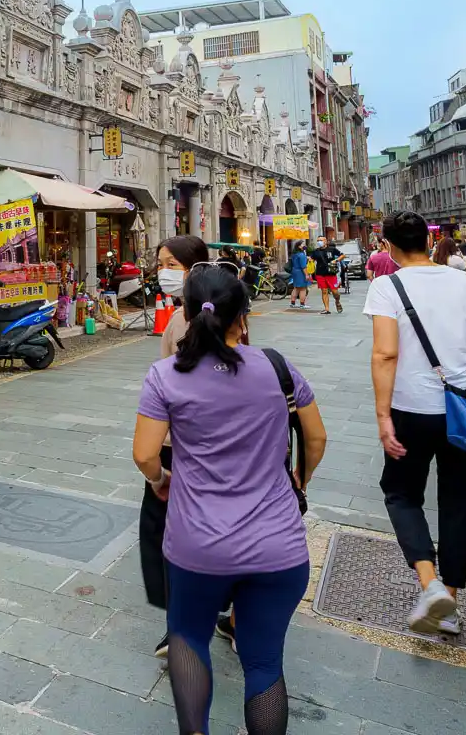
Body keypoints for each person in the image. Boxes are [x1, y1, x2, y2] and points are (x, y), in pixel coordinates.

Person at [134, 269, 327, 735]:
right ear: (242, 317)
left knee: (189, 643)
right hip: (278, 549)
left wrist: (163, 479)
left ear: (186, 314)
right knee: (264, 663)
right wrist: (301, 477)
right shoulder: (277, 367)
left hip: (198, 547)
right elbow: (316, 436)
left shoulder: (165, 375)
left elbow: (144, 453)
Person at [365, 210, 466, 636]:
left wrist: (383, 415)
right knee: (459, 503)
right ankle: (451, 601)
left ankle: (429, 584)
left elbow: (385, 354)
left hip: (412, 410)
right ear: (428, 242)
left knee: (401, 493)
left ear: (388, 245)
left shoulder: (387, 287)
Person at [141, 235, 212, 634]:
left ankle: (181, 623)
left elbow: (172, 389)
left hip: (178, 446)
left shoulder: (186, 319)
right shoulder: (226, 312)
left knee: (165, 529)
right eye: (160, 264)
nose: (162, 272)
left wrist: (155, 471)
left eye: (170, 264)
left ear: (194, 268)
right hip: (214, 446)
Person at [309, 235, 345, 314]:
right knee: (324, 291)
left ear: (325, 241)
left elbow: (342, 255)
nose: (319, 242)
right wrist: (309, 260)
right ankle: (327, 309)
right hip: (320, 273)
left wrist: (336, 260)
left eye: (321, 240)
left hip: (331, 273)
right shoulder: (316, 251)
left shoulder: (332, 249)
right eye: (318, 240)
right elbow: (311, 259)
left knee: (334, 291)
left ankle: (337, 301)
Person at [288, 242, 311, 309]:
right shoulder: (301, 255)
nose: (304, 245)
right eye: (302, 244)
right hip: (301, 273)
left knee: (296, 288)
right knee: (303, 289)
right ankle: (302, 304)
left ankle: (292, 303)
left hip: (295, 271)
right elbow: (303, 266)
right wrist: (306, 275)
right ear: (299, 246)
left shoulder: (294, 254)